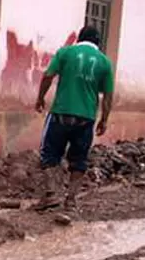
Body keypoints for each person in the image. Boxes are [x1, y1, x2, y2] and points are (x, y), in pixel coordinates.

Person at [34, 25, 114, 210]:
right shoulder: (104, 62)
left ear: (79, 38)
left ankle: (51, 194)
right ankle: (70, 200)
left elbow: (48, 75)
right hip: (86, 118)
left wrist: (40, 98)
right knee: (79, 159)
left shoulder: (65, 52)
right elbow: (108, 95)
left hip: (61, 113)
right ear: (98, 42)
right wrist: (104, 120)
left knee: (49, 154)